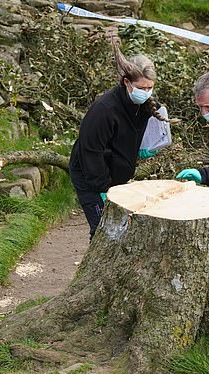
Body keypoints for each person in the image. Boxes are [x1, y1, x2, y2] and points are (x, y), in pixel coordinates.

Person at [69, 44, 167, 239]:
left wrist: (143, 148)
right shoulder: (104, 110)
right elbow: (91, 151)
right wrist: (102, 189)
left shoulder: (144, 105)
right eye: (141, 88)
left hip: (117, 173)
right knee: (102, 231)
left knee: (122, 228)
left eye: (150, 87)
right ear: (126, 82)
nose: (146, 92)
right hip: (91, 175)